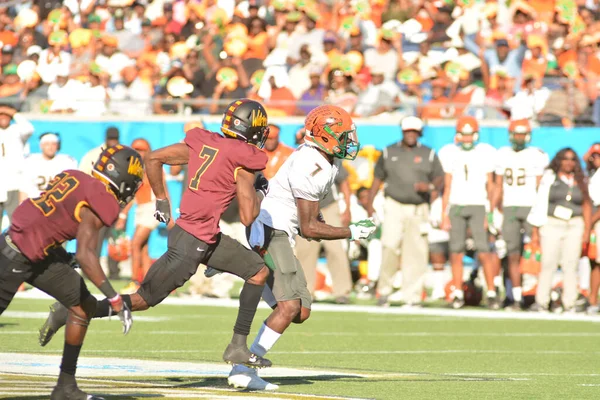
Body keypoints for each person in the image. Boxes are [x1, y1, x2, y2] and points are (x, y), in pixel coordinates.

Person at [40, 99, 273, 369]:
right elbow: (248, 215)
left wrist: (162, 200)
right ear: (253, 129)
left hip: (197, 234)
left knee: (257, 271)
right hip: (194, 242)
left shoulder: (207, 141)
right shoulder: (244, 157)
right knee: (142, 299)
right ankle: (75, 309)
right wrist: (260, 190)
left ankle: (237, 346)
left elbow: (153, 158)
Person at [225, 105, 377, 390]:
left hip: (282, 230)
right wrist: (351, 231)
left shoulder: (324, 160)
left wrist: (321, 220)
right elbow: (309, 229)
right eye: (343, 135)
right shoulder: (312, 163)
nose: (349, 140)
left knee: (301, 312)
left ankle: (245, 265)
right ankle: (244, 367)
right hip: (271, 230)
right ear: (325, 136)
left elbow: (308, 215)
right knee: (289, 307)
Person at [5, 145, 141, 399]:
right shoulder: (104, 200)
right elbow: (86, 255)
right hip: (15, 257)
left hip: (36, 251)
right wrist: (114, 299)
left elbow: (45, 221)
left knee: (81, 307)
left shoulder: (73, 175)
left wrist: (62, 256)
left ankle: (65, 387)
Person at [366, 116, 444, 307]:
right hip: (394, 204)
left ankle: (413, 295)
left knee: (416, 252)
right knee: (389, 246)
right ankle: (384, 290)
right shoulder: (388, 151)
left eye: (414, 132)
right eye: (408, 131)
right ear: (402, 132)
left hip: (419, 207)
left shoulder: (429, 154)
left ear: (419, 133)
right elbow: (377, 179)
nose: (411, 135)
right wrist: (369, 203)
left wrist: (431, 188)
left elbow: (440, 178)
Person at [441, 116, 499, 309]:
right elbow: (447, 186)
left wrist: (490, 211)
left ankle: (491, 292)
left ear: (475, 135)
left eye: (469, 135)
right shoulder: (450, 153)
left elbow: (490, 185)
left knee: (484, 250)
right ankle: (457, 292)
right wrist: (444, 212)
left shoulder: (485, 153)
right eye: (463, 135)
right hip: (457, 204)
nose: (466, 139)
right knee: (455, 251)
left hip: (478, 204)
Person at [491, 119, 548, 310]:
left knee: (536, 252)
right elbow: (498, 185)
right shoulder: (502, 154)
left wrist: (541, 209)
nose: (519, 138)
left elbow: (541, 186)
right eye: (516, 134)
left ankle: (536, 295)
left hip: (531, 207)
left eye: (522, 134)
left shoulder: (536, 155)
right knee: (512, 253)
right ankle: (515, 296)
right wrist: (492, 210)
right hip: (510, 207)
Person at [528, 148, 592, 312]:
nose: (568, 162)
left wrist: (586, 230)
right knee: (548, 262)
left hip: (574, 224)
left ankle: (569, 302)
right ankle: (542, 300)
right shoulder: (549, 179)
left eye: (572, 159)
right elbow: (540, 203)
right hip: (552, 223)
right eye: (565, 159)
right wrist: (536, 229)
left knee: (570, 264)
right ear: (559, 161)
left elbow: (586, 205)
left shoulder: (581, 180)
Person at [117, 138, 172, 294]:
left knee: (135, 244)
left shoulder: (154, 165)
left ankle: (135, 281)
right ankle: (149, 285)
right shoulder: (135, 168)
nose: (139, 152)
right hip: (141, 209)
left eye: (142, 149)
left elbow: (164, 190)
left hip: (151, 208)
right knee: (143, 249)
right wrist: (123, 215)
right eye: (136, 149)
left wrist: (168, 215)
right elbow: (132, 194)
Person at [79, 126, 122, 279]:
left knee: (114, 239)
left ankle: (114, 272)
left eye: (115, 139)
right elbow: (82, 177)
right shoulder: (93, 155)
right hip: (96, 204)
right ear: (105, 139)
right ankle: (89, 269)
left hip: (117, 203)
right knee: (94, 239)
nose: (112, 142)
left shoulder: (122, 155)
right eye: (110, 139)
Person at [19, 132, 78, 202]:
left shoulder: (67, 161)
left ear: (57, 146)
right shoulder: (31, 161)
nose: (50, 147)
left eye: (53, 144)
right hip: (36, 203)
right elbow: (24, 188)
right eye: (47, 144)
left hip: (57, 204)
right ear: (41, 146)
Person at [0, 105, 34, 222]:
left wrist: (13, 113)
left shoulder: (16, 130)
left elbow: (29, 128)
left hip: (13, 182)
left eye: (6, 115)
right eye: (1, 115)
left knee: (14, 219)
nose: (3, 117)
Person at [585, 143, 600, 314]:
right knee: (594, 262)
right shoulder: (591, 174)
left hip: (596, 219)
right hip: (593, 220)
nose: (596, 159)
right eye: (594, 156)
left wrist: (589, 223)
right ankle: (592, 299)